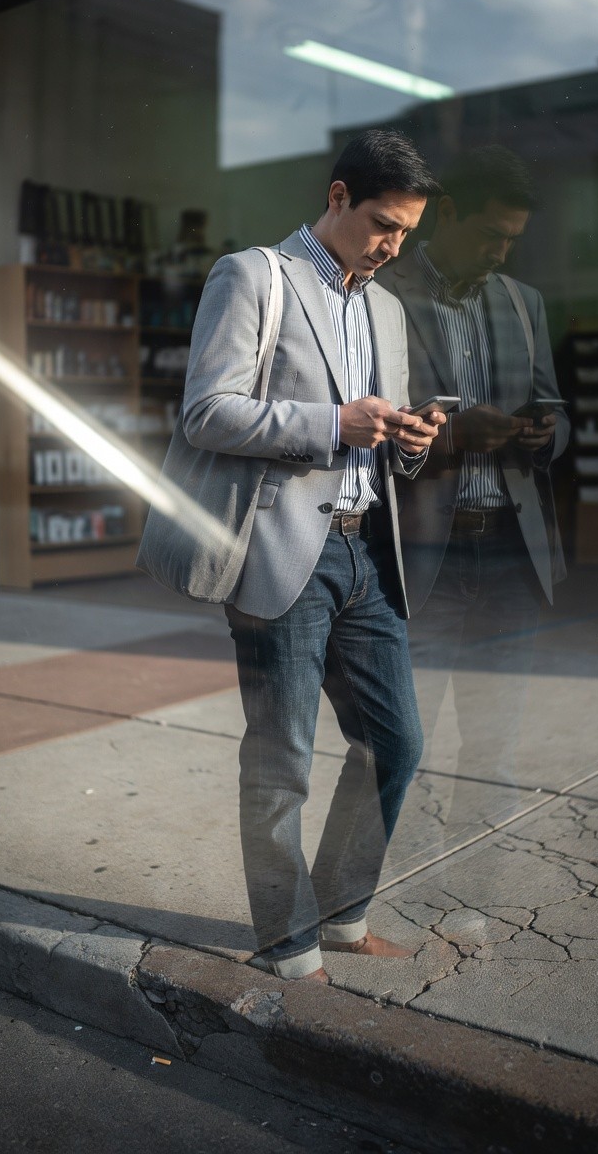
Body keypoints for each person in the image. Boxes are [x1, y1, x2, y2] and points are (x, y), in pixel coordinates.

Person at [180, 130, 445, 981]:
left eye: (407, 232)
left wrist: (409, 439)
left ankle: (339, 912)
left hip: (369, 554)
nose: (393, 246)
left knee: (395, 744)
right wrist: (332, 424)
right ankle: (288, 943)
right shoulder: (253, 275)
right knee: (282, 760)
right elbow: (207, 412)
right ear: (337, 198)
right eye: (381, 224)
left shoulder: (389, 307)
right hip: (281, 556)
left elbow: (382, 444)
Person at [377, 145, 569, 828]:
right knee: (404, 743)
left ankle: (472, 897)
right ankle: (392, 890)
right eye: (492, 234)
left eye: (514, 240)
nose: (502, 253)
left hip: (513, 557)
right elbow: (363, 423)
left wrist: (548, 435)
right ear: (447, 212)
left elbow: (556, 407)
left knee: (495, 747)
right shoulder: (383, 293)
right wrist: (453, 435)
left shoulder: (524, 304)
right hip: (425, 554)